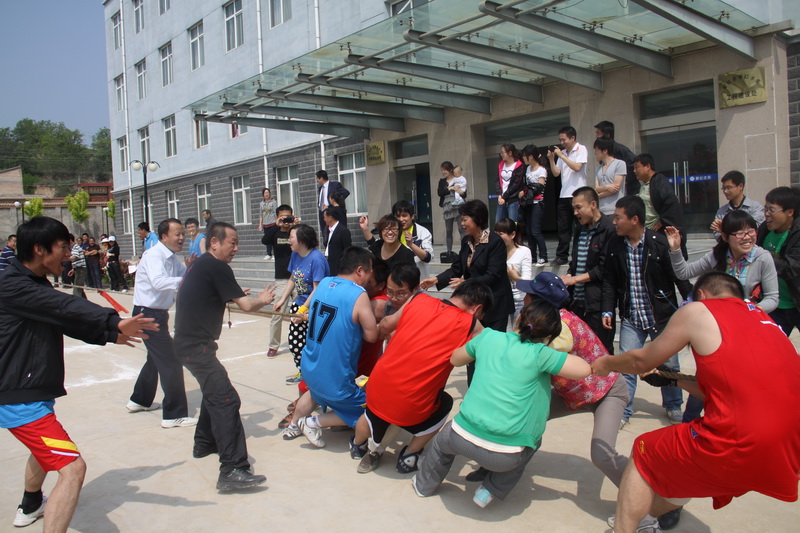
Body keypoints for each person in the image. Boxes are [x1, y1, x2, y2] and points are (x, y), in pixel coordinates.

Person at [592, 271, 800, 533]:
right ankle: (646, 520)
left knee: (644, 450)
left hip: (738, 439)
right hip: (788, 448)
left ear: (700, 294)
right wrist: (672, 381)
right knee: (685, 470)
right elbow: (724, 389)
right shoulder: (763, 319)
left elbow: (640, 361)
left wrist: (606, 363)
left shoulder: (700, 310)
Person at [0, 216, 156, 532]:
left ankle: (30, 504)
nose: (69, 254)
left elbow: (62, 321)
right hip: (19, 399)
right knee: (72, 468)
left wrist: (109, 334)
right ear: (40, 249)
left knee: (43, 451)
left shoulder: (33, 282)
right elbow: (62, 306)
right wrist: (113, 320)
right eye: (63, 247)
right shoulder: (12, 285)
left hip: (31, 391)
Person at [412, 299, 591, 508]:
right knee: (533, 441)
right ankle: (489, 490)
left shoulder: (488, 337)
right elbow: (584, 370)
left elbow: (455, 359)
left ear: (519, 318)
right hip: (505, 457)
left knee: (440, 446)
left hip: (459, 437)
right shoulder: (542, 355)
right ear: (550, 336)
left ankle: (423, 486)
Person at [173, 222, 276, 491]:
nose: (236, 248)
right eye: (232, 242)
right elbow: (247, 306)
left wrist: (231, 295)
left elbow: (210, 293)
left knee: (214, 392)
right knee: (227, 399)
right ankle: (232, 469)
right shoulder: (217, 266)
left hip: (188, 344)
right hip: (196, 347)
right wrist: (264, 299)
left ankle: (204, 443)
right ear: (215, 243)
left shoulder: (201, 263)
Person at [351, 279, 492, 474]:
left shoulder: (418, 299)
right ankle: (409, 456)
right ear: (477, 309)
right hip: (411, 404)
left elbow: (386, 324)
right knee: (445, 402)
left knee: (370, 415)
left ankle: (357, 446)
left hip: (376, 388)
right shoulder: (472, 325)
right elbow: (493, 351)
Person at [602, 195, 691, 428]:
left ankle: (673, 405)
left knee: (669, 364)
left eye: (618, 218)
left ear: (634, 219)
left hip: (661, 316)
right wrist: (607, 310)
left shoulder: (659, 243)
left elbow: (679, 276)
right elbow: (610, 280)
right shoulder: (615, 245)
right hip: (632, 316)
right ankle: (624, 410)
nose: (614, 222)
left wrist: (692, 302)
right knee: (627, 365)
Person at [282, 247, 378, 448]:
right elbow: (371, 336)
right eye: (369, 271)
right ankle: (312, 422)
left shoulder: (325, 282)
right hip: (335, 378)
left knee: (314, 393)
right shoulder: (358, 294)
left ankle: (293, 425)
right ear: (360, 270)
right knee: (372, 411)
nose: (370, 277)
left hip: (310, 368)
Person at [420, 199, 513, 384]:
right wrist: (437, 279)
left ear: (478, 219)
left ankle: (494, 389)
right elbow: (457, 268)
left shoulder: (495, 242)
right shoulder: (467, 241)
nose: (462, 224)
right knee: (472, 350)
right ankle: (474, 389)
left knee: (492, 351)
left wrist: (467, 283)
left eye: (465, 219)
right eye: (461, 219)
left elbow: (493, 274)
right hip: (474, 307)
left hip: (495, 305)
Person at [127, 218, 198, 429]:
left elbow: (183, 276)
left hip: (157, 315)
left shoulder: (172, 257)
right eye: (177, 234)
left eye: (182, 234)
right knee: (171, 360)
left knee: (155, 359)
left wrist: (190, 270)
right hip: (146, 315)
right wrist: (186, 280)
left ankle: (139, 400)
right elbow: (159, 282)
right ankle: (174, 415)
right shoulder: (154, 255)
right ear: (164, 237)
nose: (182, 238)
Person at [561, 186, 617, 353]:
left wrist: (574, 279)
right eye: (574, 208)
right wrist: (569, 275)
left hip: (596, 304)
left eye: (579, 207)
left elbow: (603, 270)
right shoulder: (579, 228)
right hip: (577, 302)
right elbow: (575, 262)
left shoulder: (609, 229)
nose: (575, 213)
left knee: (601, 352)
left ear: (593, 204)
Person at [272, 224, 329, 382]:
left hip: (315, 308)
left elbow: (317, 290)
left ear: (302, 240)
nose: (288, 240)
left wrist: (302, 310)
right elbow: (293, 278)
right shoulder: (295, 254)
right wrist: (282, 300)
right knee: (295, 342)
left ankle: (316, 377)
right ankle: (303, 373)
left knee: (314, 344)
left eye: (291, 237)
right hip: (300, 304)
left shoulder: (317, 259)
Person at [757, 186, 800, 335]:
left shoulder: (797, 233)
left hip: (797, 303)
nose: (767, 214)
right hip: (775, 306)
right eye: (765, 209)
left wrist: (762, 255)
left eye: (772, 210)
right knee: (769, 345)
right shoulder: (764, 230)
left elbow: (791, 269)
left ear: (790, 212)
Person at [633, 153, 687, 259]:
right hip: (647, 231)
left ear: (647, 166)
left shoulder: (660, 182)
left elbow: (670, 204)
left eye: (637, 167)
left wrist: (662, 220)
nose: (634, 171)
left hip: (658, 232)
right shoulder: (643, 184)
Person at [548, 126, 588, 266]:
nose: (562, 142)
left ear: (572, 138)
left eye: (564, 139)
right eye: (560, 140)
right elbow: (556, 173)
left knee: (580, 227)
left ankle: (579, 255)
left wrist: (562, 156)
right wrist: (552, 160)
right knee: (563, 228)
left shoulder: (581, 149)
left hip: (578, 194)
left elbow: (577, 167)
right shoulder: (563, 153)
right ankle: (562, 256)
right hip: (564, 195)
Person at [262, 205, 295, 358]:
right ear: (278, 217)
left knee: (304, 312)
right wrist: (276, 225)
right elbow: (265, 240)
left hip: (298, 277)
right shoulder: (274, 233)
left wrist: (296, 226)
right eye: (283, 217)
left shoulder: (296, 231)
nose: (286, 220)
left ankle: (307, 342)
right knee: (277, 314)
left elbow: (309, 242)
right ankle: (273, 345)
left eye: (288, 216)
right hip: (282, 279)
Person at [495, 218, 531, 327]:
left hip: (519, 300)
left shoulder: (524, 251)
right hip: (501, 299)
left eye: (501, 234)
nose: (497, 237)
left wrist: (515, 277)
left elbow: (527, 281)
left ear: (512, 235)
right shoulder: (494, 252)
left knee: (517, 331)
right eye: (495, 234)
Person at [711, 170, 764, 239]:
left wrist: (725, 230)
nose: (725, 191)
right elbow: (717, 234)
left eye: (729, 187)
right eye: (723, 188)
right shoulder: (722, 211)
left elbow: (756, 228)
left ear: (741, 186)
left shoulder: (755, 207)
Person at [519, 144, 548, 266]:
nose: (523, 158)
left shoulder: (542, 170)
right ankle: (533, 257)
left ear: (530, 156)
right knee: (529, 232)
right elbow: (529, 186)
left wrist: (526, 191)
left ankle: (543, 256)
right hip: (528, 203)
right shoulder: (528, 169)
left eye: (524, 156)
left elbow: (539, 187)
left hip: (538, 203)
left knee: (536, 231)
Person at [594, 120, 638, 196]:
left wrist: (624, 179)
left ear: (607, 135)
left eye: (598, 133)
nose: (596, 136)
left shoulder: (620, 149)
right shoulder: (601, 162)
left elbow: (634, 162)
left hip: (628, 192)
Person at [392, 200, 434, 279]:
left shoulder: (422, 232)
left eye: (404, 216)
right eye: (398, 216)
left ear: (412, 216)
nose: (401, 219)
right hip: (397, 280)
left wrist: (411, 245)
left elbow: (427, 257)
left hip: (417, 280)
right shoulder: (391, 232)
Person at [439, 161, 467, 261]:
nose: (443, 172)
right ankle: (449, 252)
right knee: (448, 230)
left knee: (461, 228)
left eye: (445, 170)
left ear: (451, 170)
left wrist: (458, 190)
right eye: (442, 170)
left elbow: (464, 194)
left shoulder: (459, 179)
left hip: (459, 205)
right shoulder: (442, 181)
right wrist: (451, 188)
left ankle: (465, 250)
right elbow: (440, 192)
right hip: (448, 206)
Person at [593, 137, 627, 215]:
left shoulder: (620, 164)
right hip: (601, 210)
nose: (595, 153)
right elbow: (596, 188)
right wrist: (606, 187)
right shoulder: (598, 167)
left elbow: (615, 188)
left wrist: (599, 196)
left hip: (615, 209)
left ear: (605, 151)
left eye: (597, 150)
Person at [316, 169, 350, 246]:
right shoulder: (320, 188)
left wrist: (334, 204)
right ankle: (327, 249)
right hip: (322, 213)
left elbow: (346, 192)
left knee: (336, 233)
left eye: (317, 178)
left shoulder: (335, 185)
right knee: (325, 233)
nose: (317, 180)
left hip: (333, 212)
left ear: (321, 178)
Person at [496, 143, 525, 223]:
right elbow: (498, 180)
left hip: (513, 199)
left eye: (503, 152)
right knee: (499, 224)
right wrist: (499, 194)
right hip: (501, 199)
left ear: (510, 153)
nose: (501, 154)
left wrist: (504, 197)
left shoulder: (519, 165)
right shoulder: (501, 164)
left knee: (512, 224)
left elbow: (515, 184)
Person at [324, 206, 351, 276]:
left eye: (325, 217)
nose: (324, 220)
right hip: (329, 263)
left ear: (330, 218)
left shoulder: (343, 231)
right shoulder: (328, 230)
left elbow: (347, 250)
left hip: (338, 266)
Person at [258, 188, 278, 261]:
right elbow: (261, 214)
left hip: (272, 223)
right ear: (263, 194)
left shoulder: (273, 202)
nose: (266, 194)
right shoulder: (261, 203)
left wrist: (277, 222)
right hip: (265, 224)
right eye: (265, 193)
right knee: (267, 239)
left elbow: (276, 212)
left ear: (269, 193)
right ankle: (268, 254)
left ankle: (275, 254)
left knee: (274, 239)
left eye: (267, 193)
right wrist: (260, 224)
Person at [68, 234, 87, 299]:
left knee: (77, 289)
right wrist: (73, 269)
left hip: (81, 270)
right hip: (78, 269)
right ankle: (85, 302)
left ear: (70, 240)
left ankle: (77, 302)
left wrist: (65, 258)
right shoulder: (73, 247)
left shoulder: (75, 247)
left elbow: (75, 257)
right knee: (79, 288)